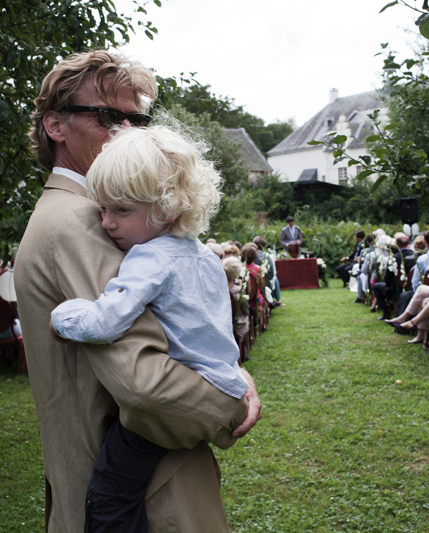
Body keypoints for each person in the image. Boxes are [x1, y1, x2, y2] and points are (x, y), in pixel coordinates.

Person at [14, 50, 261, 533]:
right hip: (148, 501)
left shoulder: (97, 215)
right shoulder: (85, 222)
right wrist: (231, 401)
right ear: (56, 127)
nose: (127, 131)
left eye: (137, 118)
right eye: (107, 116)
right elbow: (145, 384)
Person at [49, 124, 248, 531]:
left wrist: (63, 318)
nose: (106, 223)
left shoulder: (148, 258)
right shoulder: (205, 257)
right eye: (102, 208)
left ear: (168, 209)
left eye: (122, 210)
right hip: (223, 386)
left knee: (110, 493)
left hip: (184, 397)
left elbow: (106, 322)